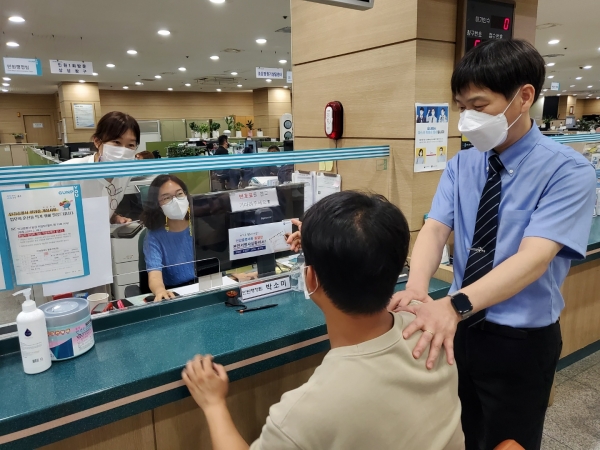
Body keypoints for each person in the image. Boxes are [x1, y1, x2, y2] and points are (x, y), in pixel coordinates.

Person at [389, 39, 597, 450]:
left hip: (519, 341)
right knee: (460, 433)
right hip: (461, 330)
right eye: (461, 106)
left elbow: (534, 259)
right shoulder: (461, 164)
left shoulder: (568, 171)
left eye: (479, 105)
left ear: (524, 97)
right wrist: (415, 289)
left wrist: (455, 304)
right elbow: (434, 229)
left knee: (509, 442)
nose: (467, 118)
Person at [182, 191, 464, 450]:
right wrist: (326, 246)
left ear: (311, 279)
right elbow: (368, 244)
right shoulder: (433, 332)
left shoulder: (306, 412)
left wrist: (213, 403)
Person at [54, 111, 140, 223]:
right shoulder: (66, 172)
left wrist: (113, 217)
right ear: (97, 141)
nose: (123, 151)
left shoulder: (125, 174)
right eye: (116, 142)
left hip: (101, 236)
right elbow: (50, 213)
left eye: (130, 145)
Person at [140, 175, 195, 301]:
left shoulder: (198, 222)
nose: (175, 201)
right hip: (175, 293)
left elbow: (219, 256)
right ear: (157, 204)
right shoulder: (153, 236)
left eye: (179, 194)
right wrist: (160, 291)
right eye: (166, 198)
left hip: (206, 286)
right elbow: (154, 275)